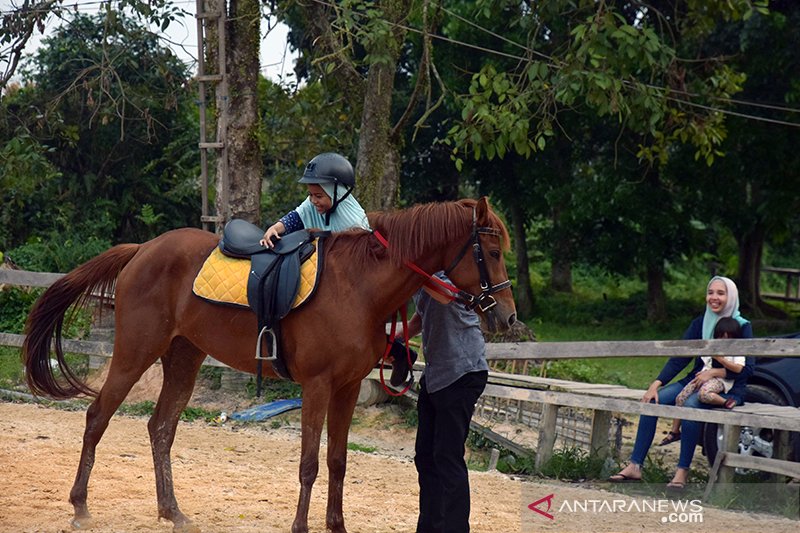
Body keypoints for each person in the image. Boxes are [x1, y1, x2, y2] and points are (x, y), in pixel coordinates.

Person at [609, 276, 754, 489]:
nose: (714, 297)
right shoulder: (700, 323)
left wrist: (716, 371)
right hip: (696, 380)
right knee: (651, 402)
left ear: (731, 297)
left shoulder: (742, 326)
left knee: (690, 406)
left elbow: (748, 370)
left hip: (727, 388)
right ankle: (635, 465)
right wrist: (655, 384)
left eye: (720, 293)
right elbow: (680, 358)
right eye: (711, 292)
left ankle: (681, 472)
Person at [399, 271, 488, 533]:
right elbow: (422, 315)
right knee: (425, 456)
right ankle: (429, 528)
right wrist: (392, 336)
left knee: (447, 456)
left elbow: (444, 295)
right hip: (437, 374)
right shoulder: (423, 271)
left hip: (463, 370)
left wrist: (410, 268)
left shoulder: (453, 272)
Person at [259, 152, 369, 247]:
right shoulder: (311, 205)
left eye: (318, 196)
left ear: (337, 194)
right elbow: (295, 218)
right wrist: (275, 228)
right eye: (310, 195)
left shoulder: (356, 226)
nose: (313, 201)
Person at [674, 317, 744, 410]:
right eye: (720, 337)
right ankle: (675, 425)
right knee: (680, 398)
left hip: (721, 380)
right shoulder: (713, 348)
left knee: (703, 394)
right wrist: (704, 373)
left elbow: (738, 368)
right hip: (704, 377)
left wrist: (721, 360)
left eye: (728, 338)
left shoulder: (736, 351)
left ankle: (726, 402)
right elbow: (706, 363)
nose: (723, 341)